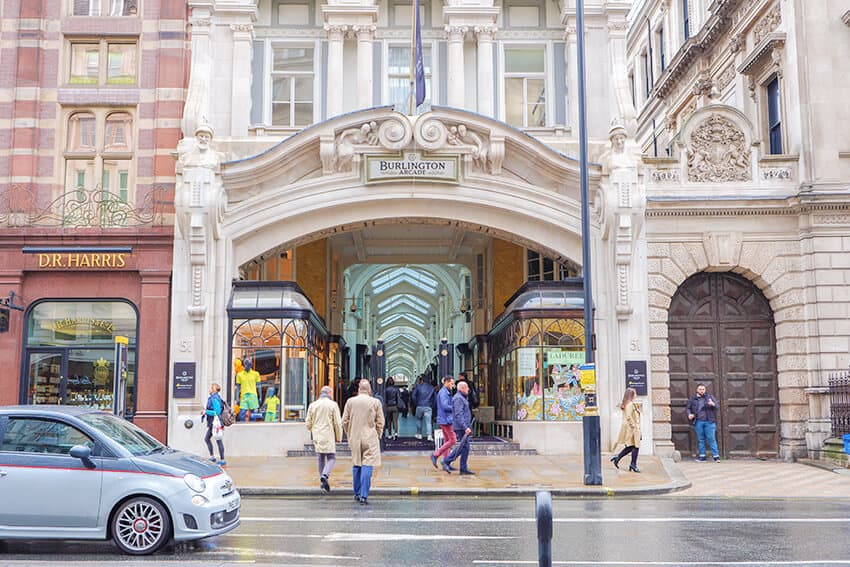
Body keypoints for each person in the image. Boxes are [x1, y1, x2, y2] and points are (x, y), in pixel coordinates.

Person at [342, 379, 385, 505]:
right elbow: (380, 422)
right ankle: (364, 495)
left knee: (356, 464)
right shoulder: (375, 402)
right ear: (369, 389)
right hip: (370, 437)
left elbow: (344, 420)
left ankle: (356, 492)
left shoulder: (350, 401)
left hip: (355, 437)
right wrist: (377, 435)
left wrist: (349, 433)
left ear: (359, 389)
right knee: (367, 464)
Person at [306, 385, 343, 493]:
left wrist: (313, 430)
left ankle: (322, 481)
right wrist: (338, 436)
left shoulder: (313, 405)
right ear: (329, 393)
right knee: (332, 457)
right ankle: (325, 475)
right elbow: (337, 422)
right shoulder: (333, 405)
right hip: (328, 434)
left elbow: (308, 423)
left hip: (317, 434)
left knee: (321, 457)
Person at [442, 381, 475, 475]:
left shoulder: (462, 398)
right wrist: (465, 427)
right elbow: (459, 414)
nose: (468, 389)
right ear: (462, 388)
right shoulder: (458, 399)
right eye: (467, 387)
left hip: (463, 426)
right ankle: (447, 461)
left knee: (465, 447)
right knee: (463, 446)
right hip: (461, 427)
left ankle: (462, 467)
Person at [687, 383, 720, 462]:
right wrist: (689, 414)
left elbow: (717, 406)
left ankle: (716, 457)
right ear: (697, 390)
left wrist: (713, 404)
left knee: (711, 439)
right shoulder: (693, 399)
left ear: (705, 390)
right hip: (698, 421)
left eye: (703, 389)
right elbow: (688, 408)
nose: (701, 391)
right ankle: (702, 457)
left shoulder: (710, 397)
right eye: (700, 389)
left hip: (710, 422)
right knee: (701, 439)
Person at [611, 387, 642, 473]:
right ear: (631, 395)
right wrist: (634, 427)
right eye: (635, 394)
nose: (636, 395)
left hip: (631, 429)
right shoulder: (630, 404)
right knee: (636, 446)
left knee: (631, 446)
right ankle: (633, 464)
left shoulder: (627, 404)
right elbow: (628, 416)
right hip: (632, 429)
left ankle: (618, 458)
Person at [431, 376, 456, 470]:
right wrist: (455, 407)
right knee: (453, 440)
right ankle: (435, 455)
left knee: (447, 440)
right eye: (451, 383)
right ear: (446, 382)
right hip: (446, 419)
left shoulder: (444, 392)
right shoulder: (444, 393)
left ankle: (446, 462)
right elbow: (445, 406)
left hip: (444, 419)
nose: (452, 386)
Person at [202, 382, 226, 466]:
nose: (209, 389)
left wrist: (206, 412)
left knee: (218, 440)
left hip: (215, 423)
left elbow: (217, 412)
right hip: (212, 423)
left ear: (213, 390)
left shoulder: (214, 398)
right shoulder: (213, 398)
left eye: (210, 388)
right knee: (208, 439)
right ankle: (212, 457)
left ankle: (222, 460)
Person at [411, 376, 436, 440]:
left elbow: (413, 396)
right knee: (428, 422)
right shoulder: (431, 387)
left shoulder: (418, 386)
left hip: (419, 406)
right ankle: (429, 435)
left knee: (419, 420)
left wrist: (416, 403)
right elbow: (434, 398)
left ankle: (419, 434)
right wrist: (432, 406)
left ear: (422, 380)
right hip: (428, 406)